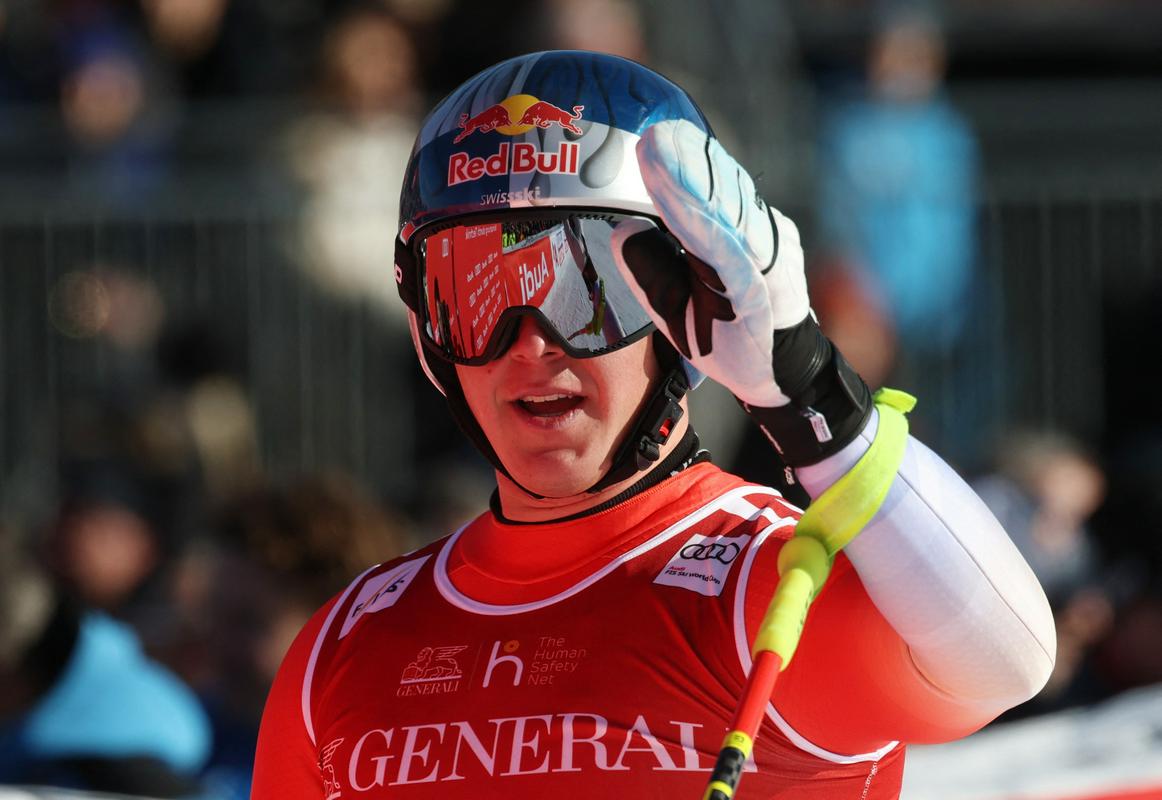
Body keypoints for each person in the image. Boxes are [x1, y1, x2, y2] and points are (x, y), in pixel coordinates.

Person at [253, 51, 1055, 798]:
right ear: (425, 327)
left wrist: (806, 387)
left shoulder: (763, 582)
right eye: (476, 293)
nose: (530, 345)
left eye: (586, 290)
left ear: (684, 306)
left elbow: (1005, 661)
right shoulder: (346, 647)